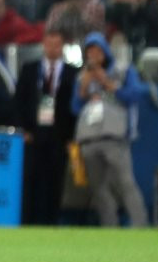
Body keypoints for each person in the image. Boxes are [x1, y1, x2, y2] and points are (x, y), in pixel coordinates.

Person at [72, 32, 148, 227]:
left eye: (97, 51)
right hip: (89, 139)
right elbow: (75, 107)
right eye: (90, 52)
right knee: (99, 187)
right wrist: (84, 89)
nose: (94, 55)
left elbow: (134, 96)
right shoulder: (82, 76)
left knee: (125, 182)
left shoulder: (122, 70)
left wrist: (107, 83)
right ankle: (109, 226)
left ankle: (140, 225)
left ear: (105, 51)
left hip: (114, 136)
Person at [15, 30, 78, 225]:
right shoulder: (29, 69)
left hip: (59, 136)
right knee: (30, 180)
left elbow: (74, 108)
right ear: (43, 45)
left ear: (62, 47)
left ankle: (51, 222)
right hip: (33, 135)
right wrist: (22, 130)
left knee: (55, 181)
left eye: (57, 45)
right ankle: (28, 222)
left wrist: (71, 138)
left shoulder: (72, 72)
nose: (53, 49)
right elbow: (19, 102)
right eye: (49, 44)